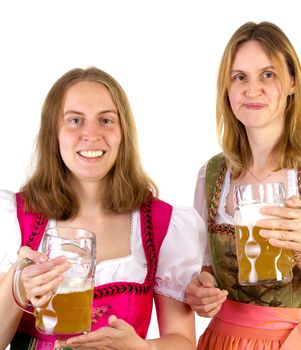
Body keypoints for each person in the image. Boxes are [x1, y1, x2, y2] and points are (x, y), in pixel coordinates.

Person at [0, 67, 206, 350]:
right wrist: (17, 284)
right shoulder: (15, 220)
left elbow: (183, 341)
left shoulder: (161, 224)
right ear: (53, 133)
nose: (91, 134)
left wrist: (142, 348)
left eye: (106, 120)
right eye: (75, 120)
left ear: (123, 133)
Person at [184, 21, 301, 349]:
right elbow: (204, 275)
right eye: (239, 77)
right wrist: (199, 292)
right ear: (227, 89)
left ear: (291, 82)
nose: (252, 89)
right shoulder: (211, 174)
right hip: (225, 342)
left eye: (268, 75)